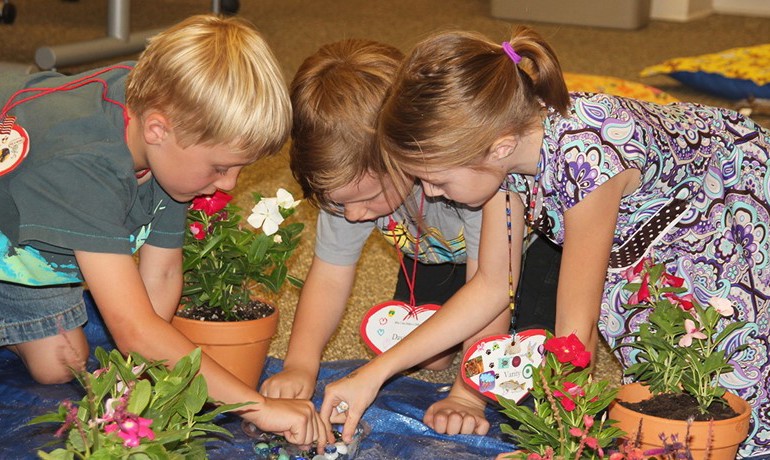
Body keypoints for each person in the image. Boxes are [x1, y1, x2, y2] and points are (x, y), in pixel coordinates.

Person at [319, 27, 770, 457]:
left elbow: (578, 329)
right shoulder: (504, 158)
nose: (430, 194)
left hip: (725, 196)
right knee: (661, 372)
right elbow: (493, 285)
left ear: (496, 147)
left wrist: (560, 442)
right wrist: (373, 373)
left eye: (436, 181)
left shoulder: (586, 161)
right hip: (648, 226)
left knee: (727, 383)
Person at [0, 14, 330, 446]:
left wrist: (137, 376)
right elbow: (135, 328)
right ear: (158, 129)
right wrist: (256, 406)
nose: (228, 184)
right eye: (220, 167)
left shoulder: (164, 139)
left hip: (27, 252)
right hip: (17, 220)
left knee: (61, 366)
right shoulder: (86, 166)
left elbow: (162, 274)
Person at [260, 38, 525, 436]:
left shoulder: (466, 179)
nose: (353, 215)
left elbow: (489, 289)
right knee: (429, 354)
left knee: (528, 364)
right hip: (434, 256)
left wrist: (466, 396)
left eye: (365, 199)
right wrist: (301, 363)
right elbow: (329, 277)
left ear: (402, 155)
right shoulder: (349, 185)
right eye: (338, 204)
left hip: (518, 259)